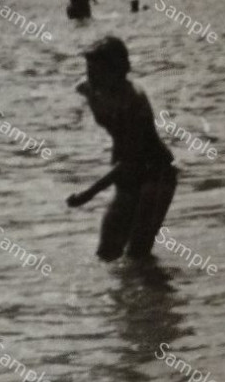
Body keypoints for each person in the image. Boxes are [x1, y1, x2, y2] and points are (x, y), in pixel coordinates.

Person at [66, 36, 178, 261]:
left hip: (155, 174)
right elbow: (74, 101)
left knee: (137, 254)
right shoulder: (87, 88)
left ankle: (154, 292)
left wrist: (88, 194)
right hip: (127, 174)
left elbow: (131, 159)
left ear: (119, 72)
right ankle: (121, 294)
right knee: (106, 252)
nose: (92, 77)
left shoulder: (133, 100)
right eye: (89, 70)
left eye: (98, 72)